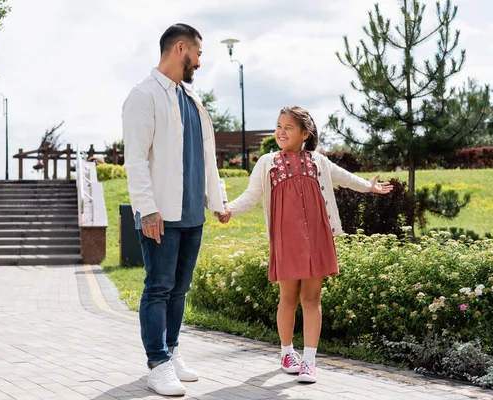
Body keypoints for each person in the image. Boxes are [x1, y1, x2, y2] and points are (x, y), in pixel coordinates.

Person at [216, 106, 392, 383]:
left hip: (317, 237)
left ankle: (309, 361)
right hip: (286, 238)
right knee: (288, 297)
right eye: (278, 126)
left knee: (311, 298)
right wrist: (229, 210)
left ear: (305, 134)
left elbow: (345, 178)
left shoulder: (318, 161)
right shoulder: (267, 162)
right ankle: (287, 353)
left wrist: (369, 187)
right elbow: (252, 195)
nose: (281, 131)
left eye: (288, 127)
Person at [122, 23, 227, 396]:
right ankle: (157, 363)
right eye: (198, 54)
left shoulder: (192, 100)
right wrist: (146, 209)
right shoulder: (143, 95)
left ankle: (172, 351)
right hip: (160, 213)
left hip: (191, 215)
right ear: (180, 48)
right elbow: (134, 160)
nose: (199, 62)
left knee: (180, 289)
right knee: (158, 288)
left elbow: (206, 159)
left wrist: (219, 201)